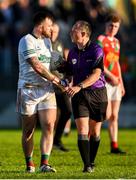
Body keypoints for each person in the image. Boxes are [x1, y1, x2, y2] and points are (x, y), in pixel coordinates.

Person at [16, 11, 67, 173]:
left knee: (50, 125)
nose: (52, 29)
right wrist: (57, 81)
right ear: (40, 25)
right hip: (28, 89)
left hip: (46, 89)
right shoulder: (26, 40)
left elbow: (54, 62)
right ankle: (29, 163)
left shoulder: (47, 42)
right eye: (49, 25)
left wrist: (70, 69)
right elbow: (37, 66)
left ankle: (45, 163)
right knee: (29, 130)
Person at [65, 20, 108, 173]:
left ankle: (92, 160)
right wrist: (66, 81)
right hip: (79, 95)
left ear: (83, 34)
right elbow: (69, 74)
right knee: (82, 130)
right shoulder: (71, 52)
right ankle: (87, 165)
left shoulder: (97, 50)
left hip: (98, 93)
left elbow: (97, 74)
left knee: (95, 132)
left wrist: (79, 85)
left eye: (74, 30)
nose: (71, 33)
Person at [97, 13, 126, 154]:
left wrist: (120, 82)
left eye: (116, 26)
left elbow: (116, 63)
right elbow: (99, 63)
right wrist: (111, 77)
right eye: (111, 25)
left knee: (115, 115)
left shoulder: (116, 42)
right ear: (106, 25)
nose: (113, 28)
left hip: (115, 82)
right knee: (106, 115)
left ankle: (114, 145)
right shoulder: (101, 40)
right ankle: (91, 136)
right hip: (105, 81)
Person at [51, 23, 72, 151]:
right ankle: (50, 141)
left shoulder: (60, 44)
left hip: (61, 84)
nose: (54, 33)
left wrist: (69, 77)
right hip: (50, 85)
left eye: (56, 31)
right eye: (52, 31)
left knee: (67, 111)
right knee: (51, 116)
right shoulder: (43, 45)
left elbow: (64, 61)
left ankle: (56, 140)